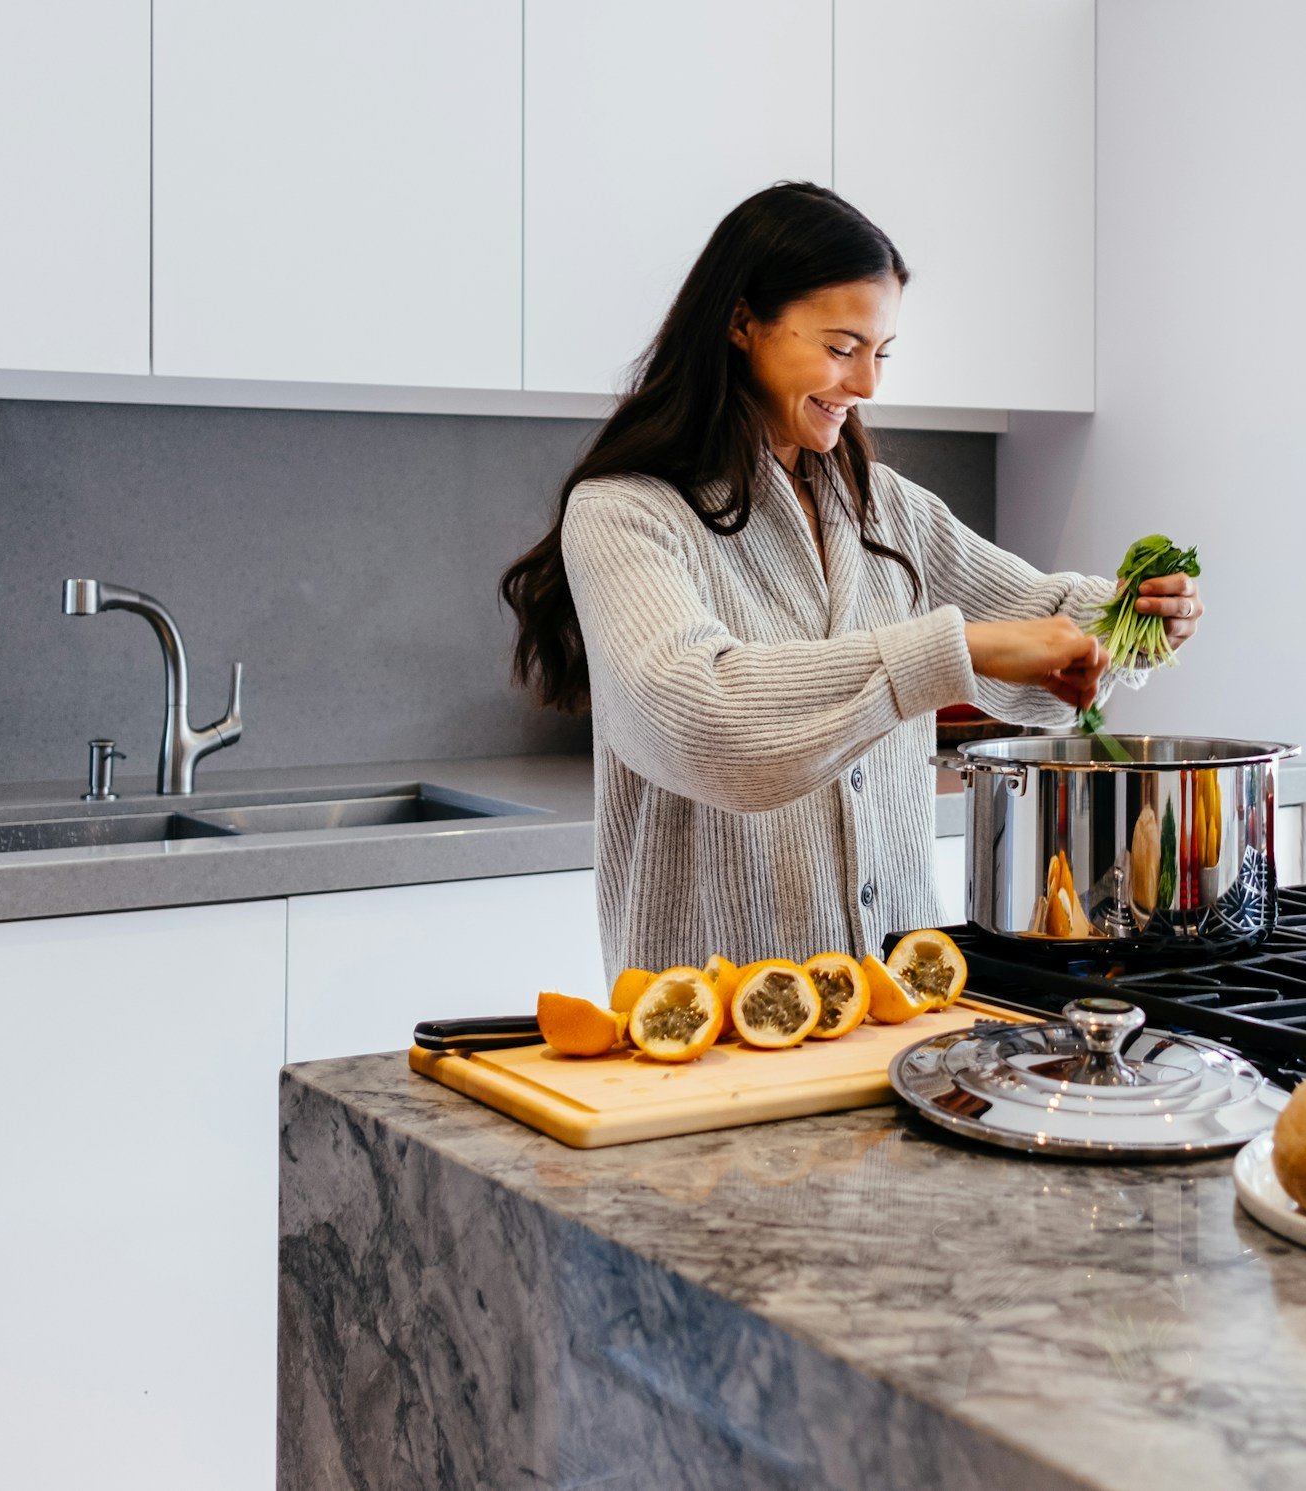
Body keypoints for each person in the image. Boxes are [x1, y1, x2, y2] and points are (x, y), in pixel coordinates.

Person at [502, 183, 1204, 977]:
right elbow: (702, 718)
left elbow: (1039, 620)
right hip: (714, 1023)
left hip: (905, 1000)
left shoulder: (885, 507)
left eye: (881, 352)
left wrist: (1131, 619)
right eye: (842, 348)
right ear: (741, 324)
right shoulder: (627, 513)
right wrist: (952, 651)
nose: (868, 384)